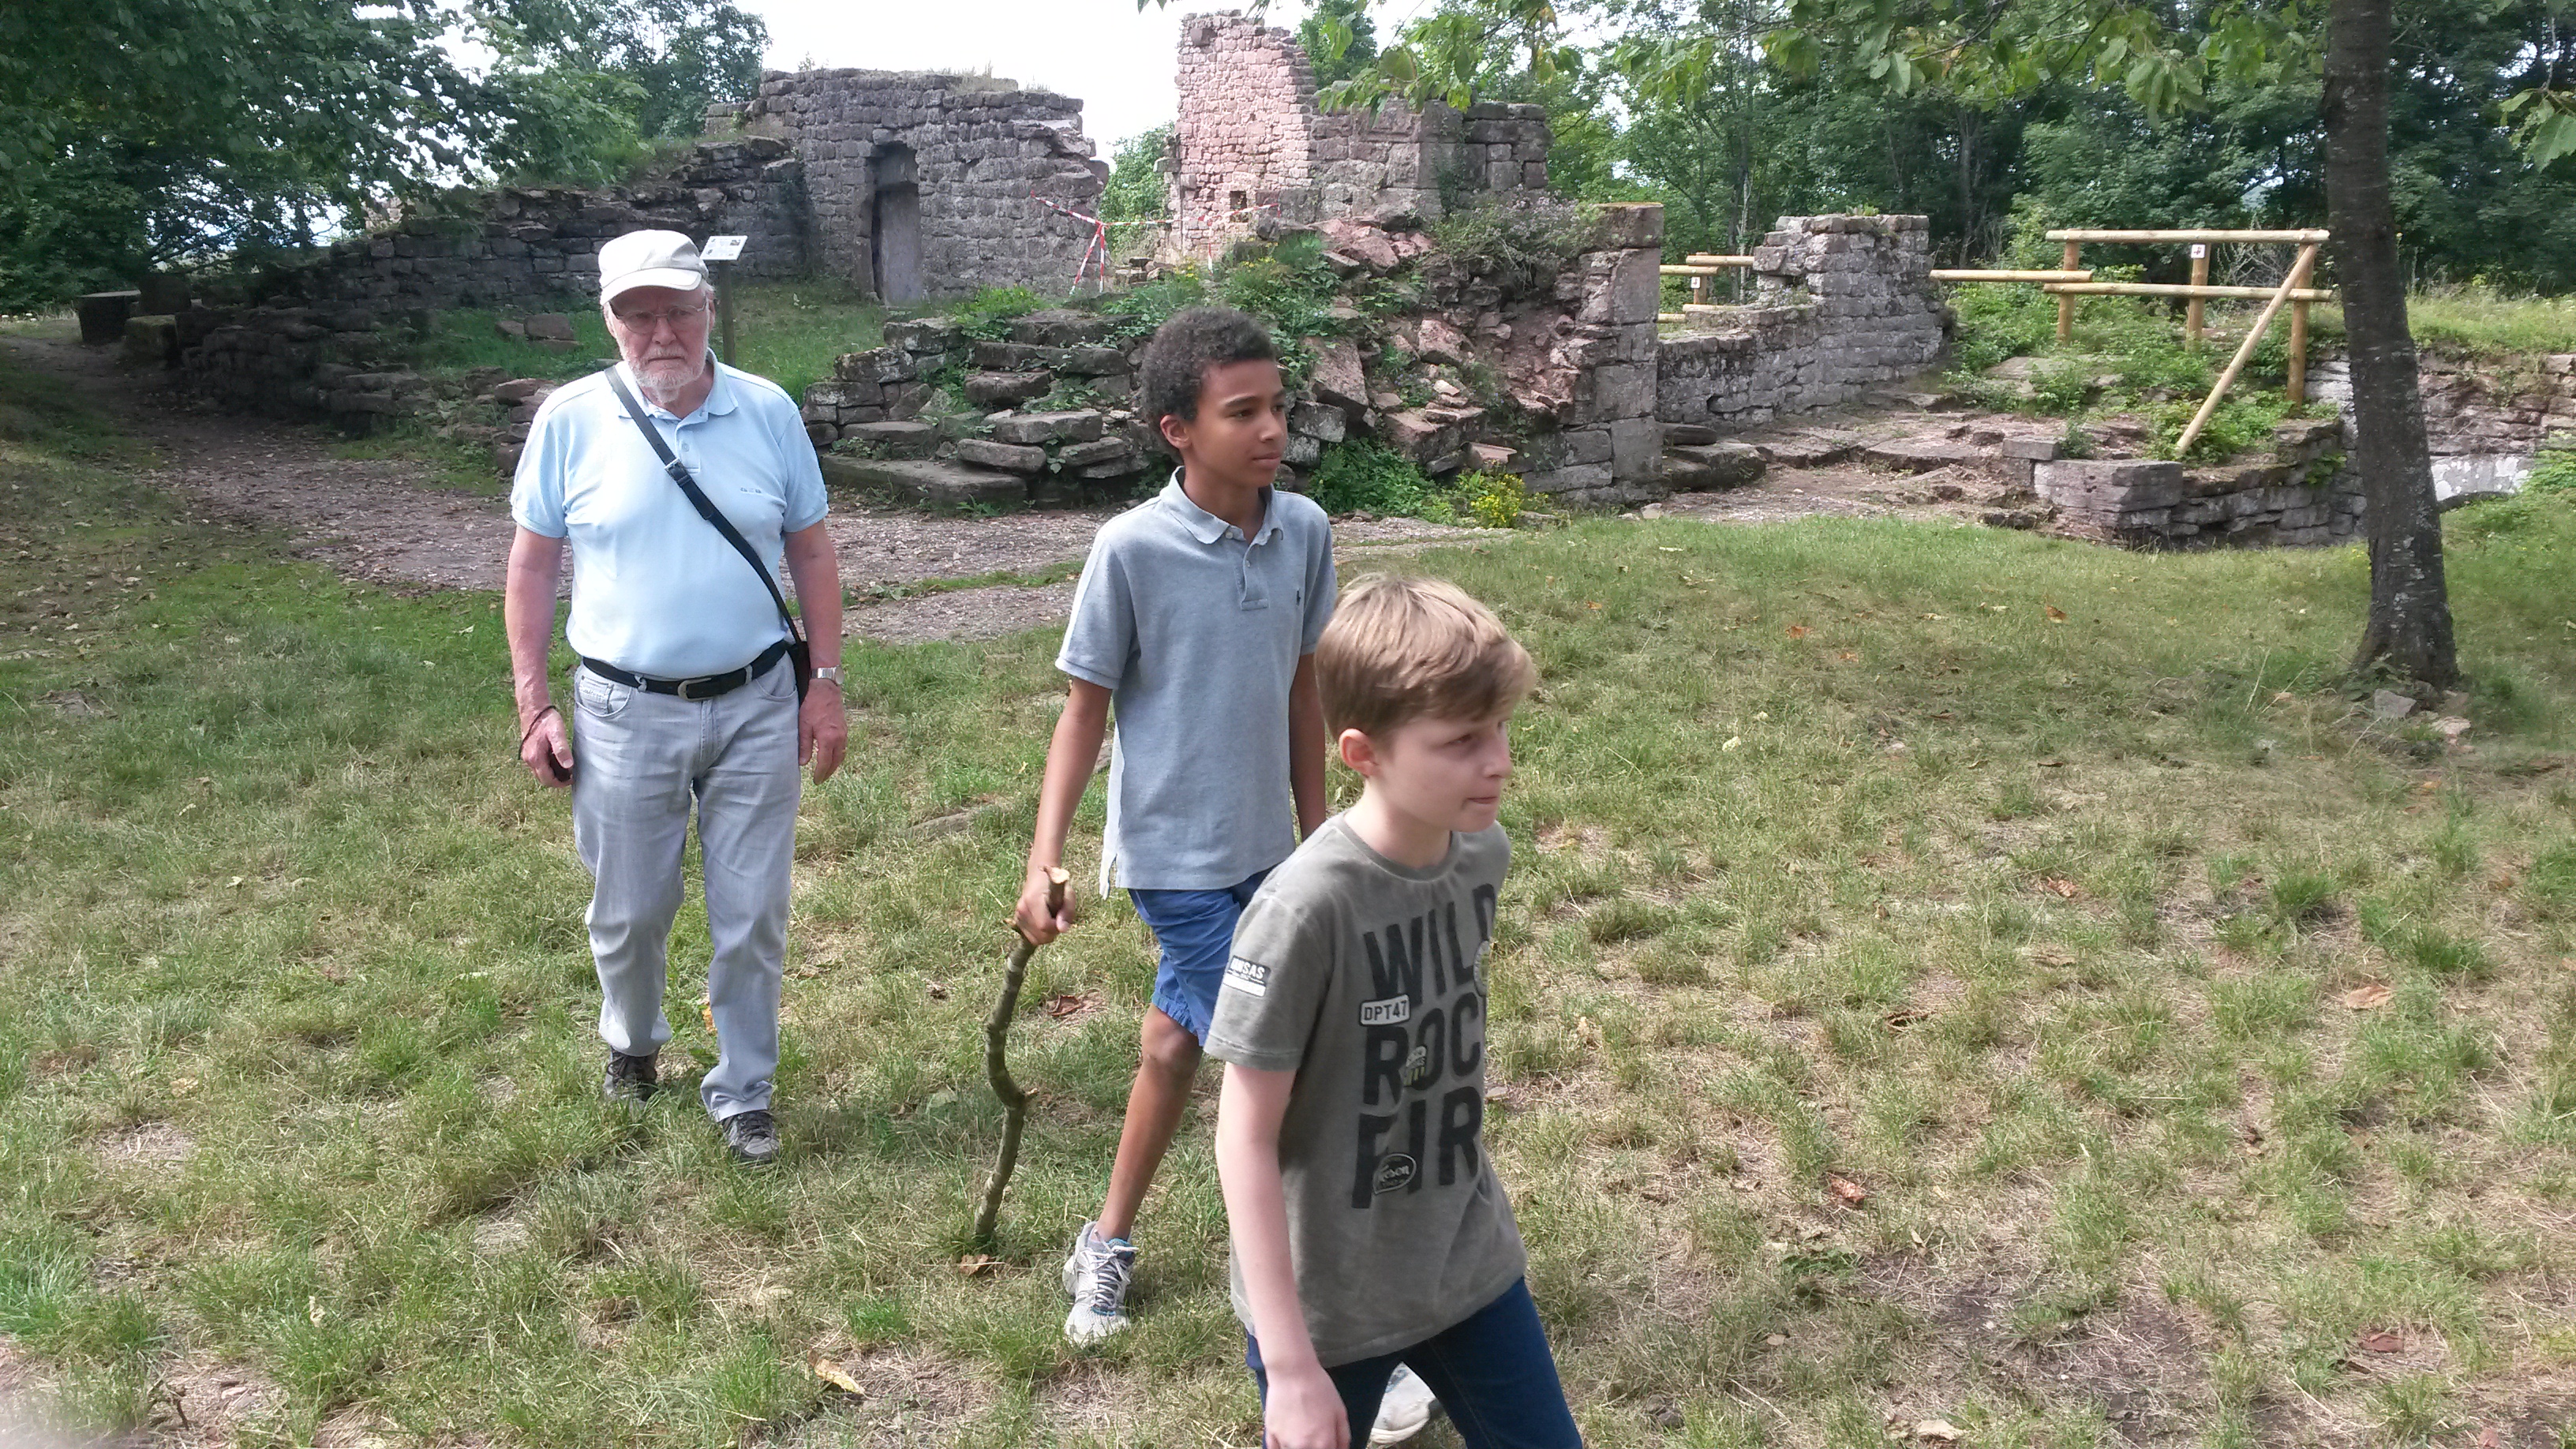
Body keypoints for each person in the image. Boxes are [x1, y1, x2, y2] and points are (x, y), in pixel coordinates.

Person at [1207, 575, 1578, 1449]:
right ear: (1363, 753)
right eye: (1460, 741)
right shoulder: (1305, 911)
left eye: (1500, 728)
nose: (1498, 761)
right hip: (1327, 1302)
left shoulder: (1481, 853)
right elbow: (1242, 1136)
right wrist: (1290, 1367)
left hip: (1466, 1260)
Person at [504, 228, 848, 1166]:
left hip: (757, 703)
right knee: (629, 909)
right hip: (622, 712)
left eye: (678, 311)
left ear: (708, 310)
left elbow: (812, 550)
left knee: (753, 913)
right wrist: (534, 703)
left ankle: (745, 1089)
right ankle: (633, 1039)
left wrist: (824, 684)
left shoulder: (767, 411)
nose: (662, 332)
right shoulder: (570, 420)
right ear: (609, 321)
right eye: (638, 315)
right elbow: (532, 567)